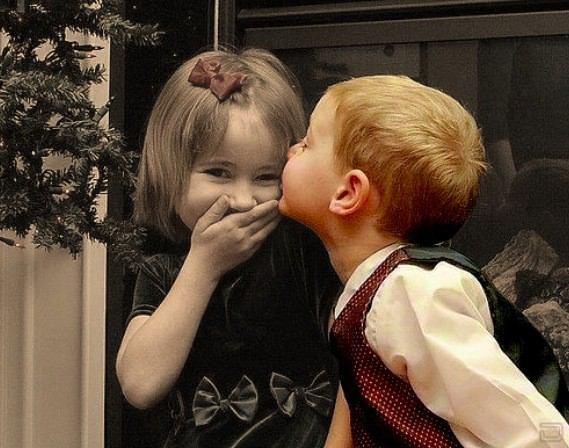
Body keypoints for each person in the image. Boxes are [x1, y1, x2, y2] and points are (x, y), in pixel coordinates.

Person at [279, 74, 569, 447]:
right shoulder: (374, 291)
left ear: (348, 192)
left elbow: (530, 428)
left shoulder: (412, 294)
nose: (291, 150)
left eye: (306, 144)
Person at [115, 48, 341, 448]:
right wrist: (202, 265)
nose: (243, 200)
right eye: (219, 172)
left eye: (266, 177)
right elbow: (140, 385)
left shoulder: (305, 252)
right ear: (170, 173)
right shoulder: (163, 272)